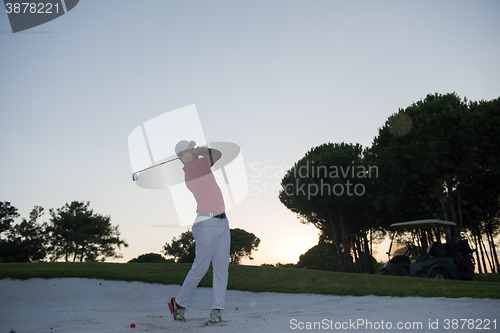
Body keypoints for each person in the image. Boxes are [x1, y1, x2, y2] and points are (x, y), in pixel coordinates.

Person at [168, 140, 230, 325]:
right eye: (188, 150)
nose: (192, 151)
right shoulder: (196, 167)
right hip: (207, 223)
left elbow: (215, 155)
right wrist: (200, 149)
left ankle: (217, 311)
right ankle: (178, 304)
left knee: (221, 269)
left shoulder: (196, 165)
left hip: (222, 221)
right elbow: (217, 153)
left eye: (192, 148)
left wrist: (194, 150)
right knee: (200, 268)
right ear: (181, 157)